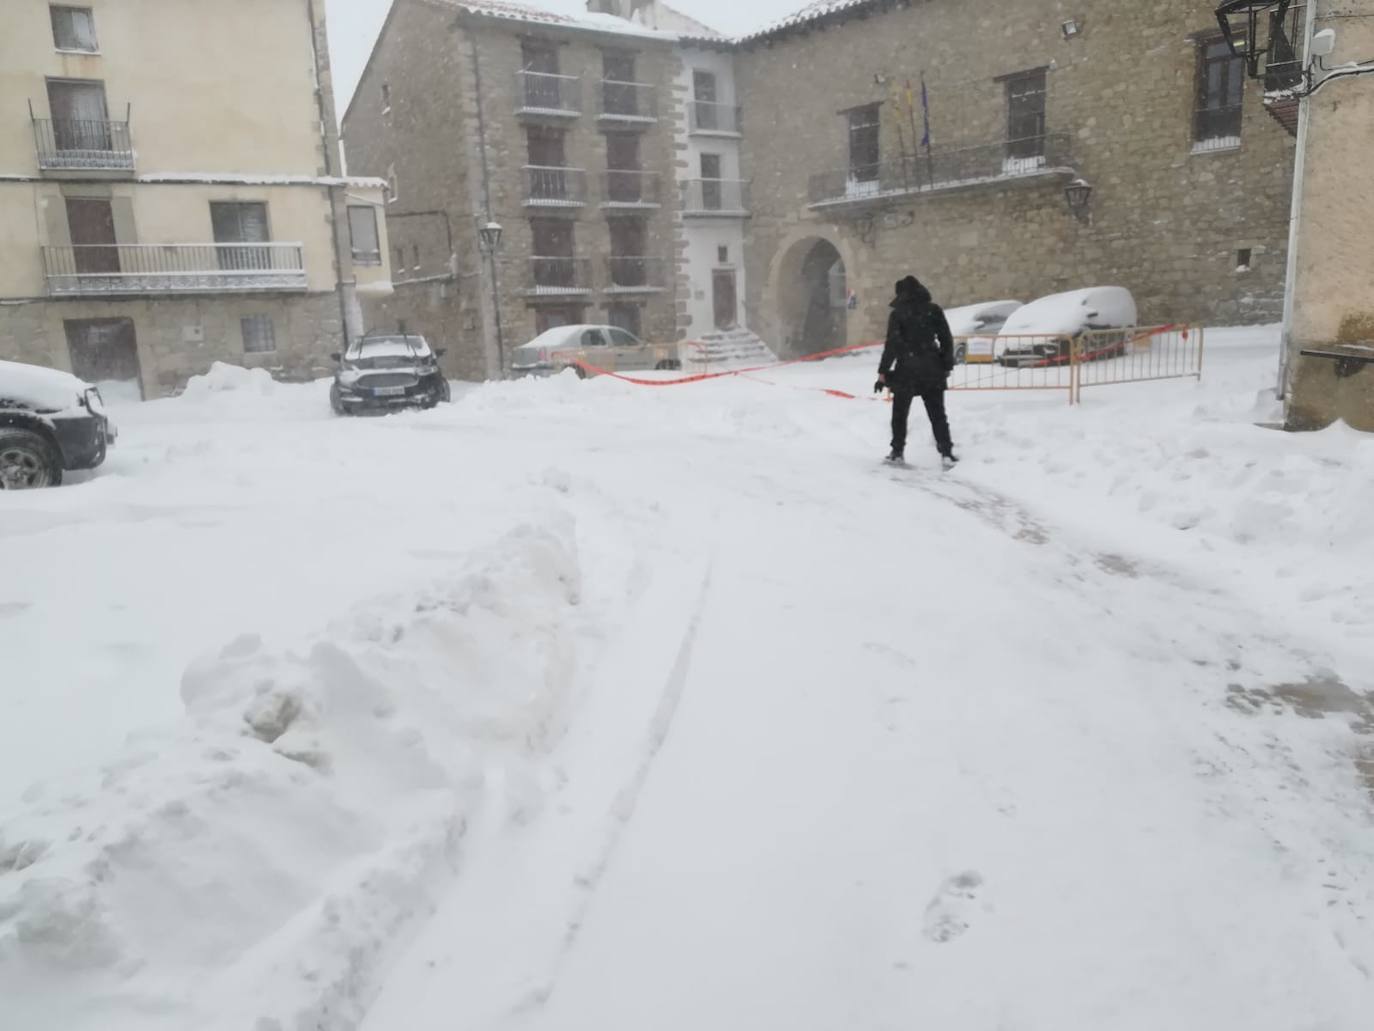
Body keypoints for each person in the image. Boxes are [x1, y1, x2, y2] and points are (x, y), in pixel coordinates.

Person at [874, 276, 958, 467]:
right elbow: (946, 338)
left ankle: (897, 451)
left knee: (900, 413)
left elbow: (892, 344)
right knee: (938, 413)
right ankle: (946, 451)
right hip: (932, 367)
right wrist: (946, 364)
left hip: (907, 369)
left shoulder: (898, 314)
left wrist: (883, 371)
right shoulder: (933, 310)